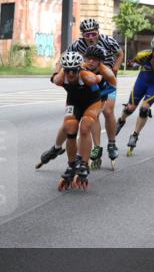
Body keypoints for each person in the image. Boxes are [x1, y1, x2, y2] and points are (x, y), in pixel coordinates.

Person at [36, 18, 123, 168]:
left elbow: (120, 53)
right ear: (83, 35)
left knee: (107, 111)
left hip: (106, 81)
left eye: (93, 34)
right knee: (74, 120)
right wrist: (57, 71)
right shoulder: (78, 44)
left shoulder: (108, 41)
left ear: (98, 33)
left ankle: (111, 143)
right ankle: (86, 147)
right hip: (87, 81)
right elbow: (63, 58)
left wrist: (115, 67)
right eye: (87, 35)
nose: (90, 38)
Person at [115, 34, 154, 155]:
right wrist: (131, 64)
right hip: (142, 81)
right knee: (130, 108)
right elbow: (134, 61)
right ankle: (121, 120)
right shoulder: (142, 55)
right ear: (152, 49)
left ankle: (135, 135)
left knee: (144, 109)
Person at [51, 50, 103, 190]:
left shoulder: (88, 77)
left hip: (92, 102)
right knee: (70, 127)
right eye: (68, 71)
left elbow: (99, 77)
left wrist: (98, 75)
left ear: (79, 68)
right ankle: (72, 164)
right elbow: (55, 75)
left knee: (85, 126)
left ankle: (84, 165)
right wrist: (57, 68)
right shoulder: (60, 79)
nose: (71, 74)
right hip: (74, 102)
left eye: (74, 70)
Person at [81, 45, 119, 170]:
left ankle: (112, 144)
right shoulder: (82, 67)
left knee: (108, 112)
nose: (91, 61)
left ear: (100, 61)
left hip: (107, 89)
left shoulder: (106, 72)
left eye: (95, 59)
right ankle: (97, 147)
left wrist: (97, 95)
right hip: (93, 90)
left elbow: (113, 87)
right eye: (89, 59)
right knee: (93, 116)